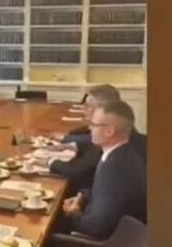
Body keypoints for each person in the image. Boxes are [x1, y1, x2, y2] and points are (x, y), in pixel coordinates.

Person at [59, 100, 146, 239]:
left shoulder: (116, 169)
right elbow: (102, 194)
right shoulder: (121, 154)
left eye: (94, 124)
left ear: (109, 131)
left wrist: (74, 213)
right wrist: (81, 198)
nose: (90, 128)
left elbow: (95, 228)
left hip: (102, 246)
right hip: (114, 232)